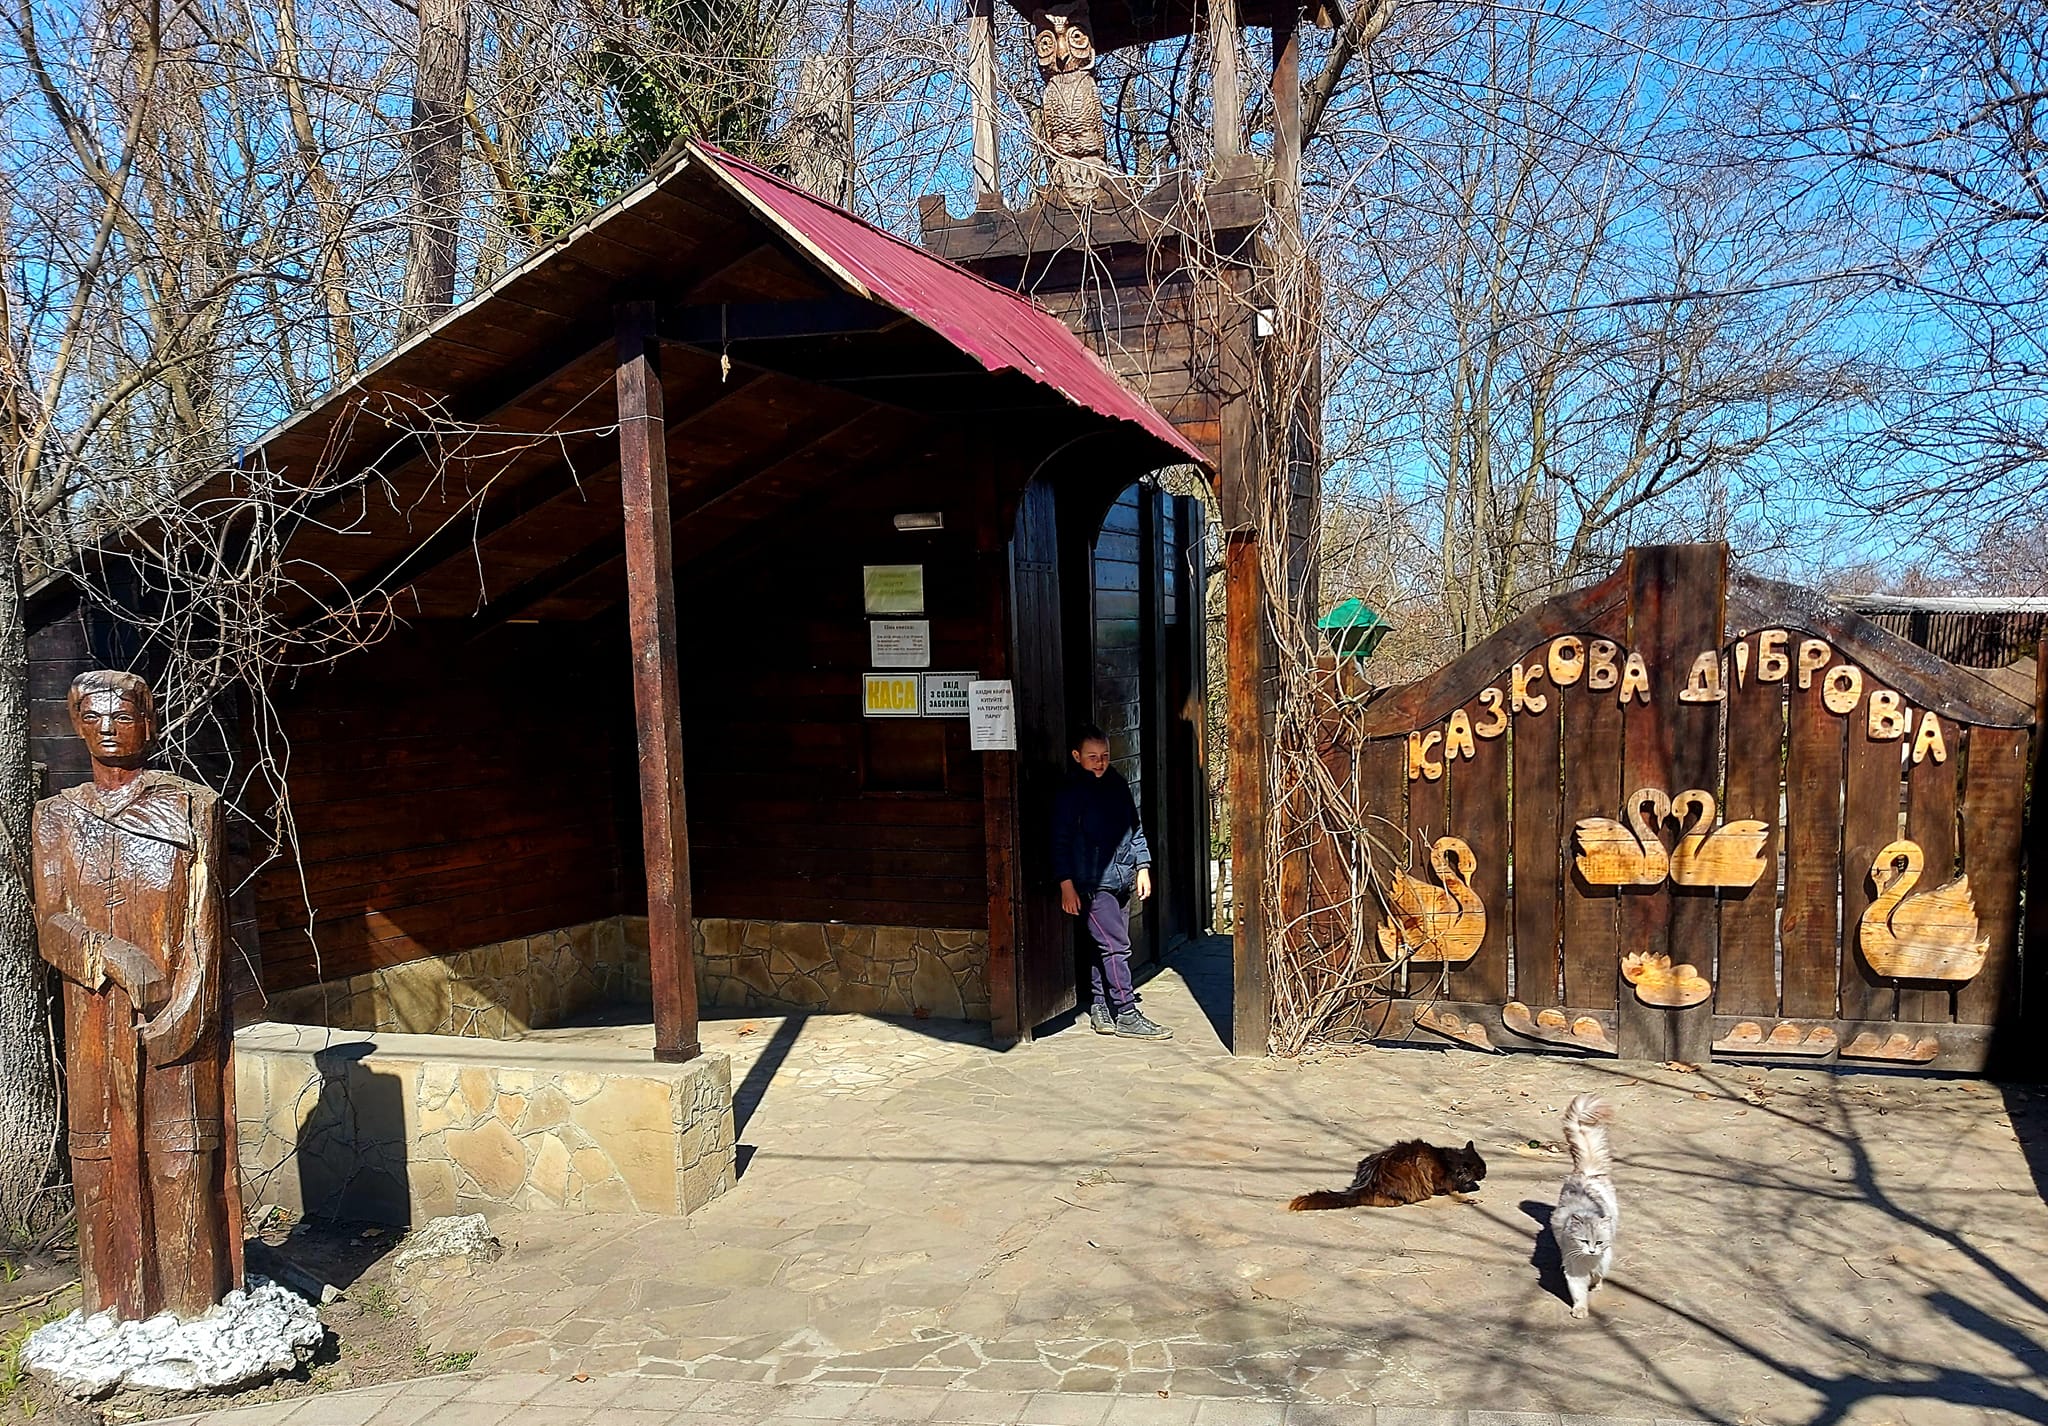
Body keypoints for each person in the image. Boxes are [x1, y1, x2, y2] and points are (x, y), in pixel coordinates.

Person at [34, 670, 242, 1320]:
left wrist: (184, 1013)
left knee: (182, 1162)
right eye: (92, 715)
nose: (106, 727)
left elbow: (207, 929)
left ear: (147, 722)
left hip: (179, 1023)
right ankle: (116, 1310)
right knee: (100, 1166)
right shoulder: (56, 818)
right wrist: (112, 955)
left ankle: (191, 1308)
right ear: (75, 724)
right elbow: (50, 922)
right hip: (95, 1027)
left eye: (121, 713)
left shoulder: (189, 807)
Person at [1052, 723, 1172, 1039]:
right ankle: (1127, 1013)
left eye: (1104, 755)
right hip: (1091, 883)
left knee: (1102, 944)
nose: (1100, 762)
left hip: (1121, 878)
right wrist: (1066, 883)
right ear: (1077, 756)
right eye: (1092, 756)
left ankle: (1101, 1006)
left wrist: (1142, 866)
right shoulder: (1070, 793)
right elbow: (1059, 840)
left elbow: (1135, 827)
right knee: (1116, 946)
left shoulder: (1116, 782)